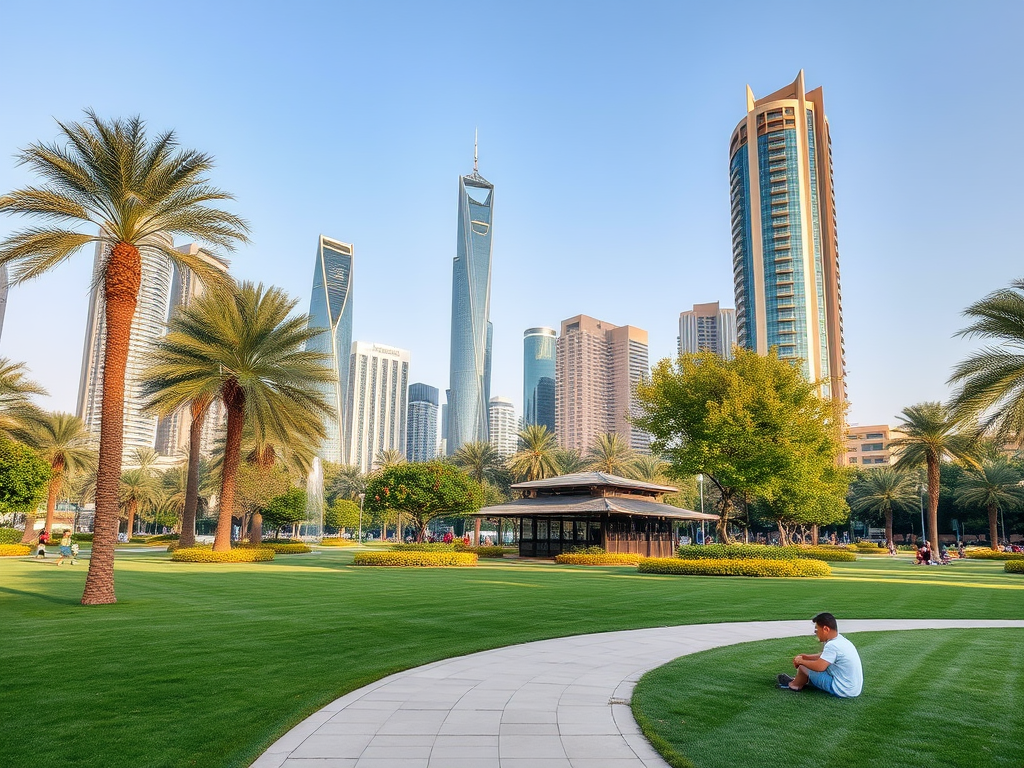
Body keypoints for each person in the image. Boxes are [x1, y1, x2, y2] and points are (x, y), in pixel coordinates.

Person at [777, 612, 863, 698]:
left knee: (803, 667)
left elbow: (819, 666)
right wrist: (807, 657)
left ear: (825, 629)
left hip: (842, 689)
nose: (816, 633)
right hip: (853, 689)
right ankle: (800, 680)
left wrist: (801, 661)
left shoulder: (832, 645)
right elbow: (824, 656)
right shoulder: (840, 640)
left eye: (817, 630)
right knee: (808, 663)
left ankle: (794, 685)